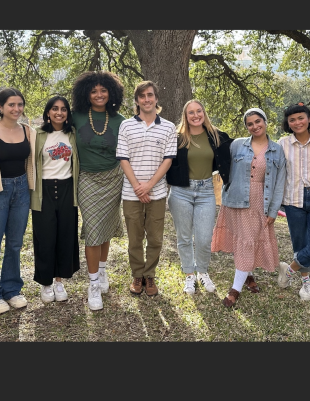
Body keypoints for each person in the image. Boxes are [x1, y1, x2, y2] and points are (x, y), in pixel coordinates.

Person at [211, 107, 286, 308]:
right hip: (235, 199)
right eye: (250, 124)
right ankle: (247, 276)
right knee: (243, 239)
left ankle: (236, 287)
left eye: (257, 122)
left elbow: (279, 182)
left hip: (260, 201)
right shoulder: (237, 145)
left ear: (265, 121)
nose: (254, 126)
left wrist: (273, 210)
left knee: (248, 239)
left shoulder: (277, 150)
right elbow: (222, 163)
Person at [71, 70, 126, 311]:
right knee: (93, 228)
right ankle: (93, 284)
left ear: (111, 93)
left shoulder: (119, 120)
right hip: (87, 179)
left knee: (105, 226)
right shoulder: (76, 116)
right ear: (86, 93)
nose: (99, 94)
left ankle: (102, 271)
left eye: (103, 90)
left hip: (114, 177)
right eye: (93, 90)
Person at [116, 80, 177, 297]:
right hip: (130, 193)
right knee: (134, 238)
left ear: (156, 98)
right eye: (142, 96)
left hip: (158, 193)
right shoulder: (126, 125)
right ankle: (137, 275)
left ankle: (149, 275)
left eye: (150, 95)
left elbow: (168, 159)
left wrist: (149, 186)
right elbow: (123, 158)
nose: (147, 99)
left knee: (155, 238)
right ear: (137, 100)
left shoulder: (169, 127)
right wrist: (137, 187)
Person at [166, 99, 233, 295]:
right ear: (185, 117)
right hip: (180, 192)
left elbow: (235, 150)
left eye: (199, 111)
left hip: (205, 191)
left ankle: (202, 272)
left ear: (204, 113)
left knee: (204, 238)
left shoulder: (216, 136)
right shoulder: (177, 137)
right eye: (191, 113)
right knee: (184, 237)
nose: (196, 115)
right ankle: (189, 275)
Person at [0, 88, 36, 314]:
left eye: (20, 104)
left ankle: (11, 289)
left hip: (22, 189)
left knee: (15, 243)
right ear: (0, 107)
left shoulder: (28, 131)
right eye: (11, 105)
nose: (16, 109)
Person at [30, 95, 80, 304]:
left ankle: (59, 281)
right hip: (44, 190)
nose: (59, 112)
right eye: (55, 109)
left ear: (68, 113)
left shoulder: (73, 134)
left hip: (68, 188)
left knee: (66, 236)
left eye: (63, 109)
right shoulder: (37, 135)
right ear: (48, 112)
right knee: (45, 237)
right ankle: (46, 283)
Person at [277, 102, 310, 301]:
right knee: (299, 243)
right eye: (292, 120)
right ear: (287, 123)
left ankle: (289, 270)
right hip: (293, 198)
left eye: (301, 118)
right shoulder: (282, 144)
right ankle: (305, 281)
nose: (297, 122)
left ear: (308, 119)